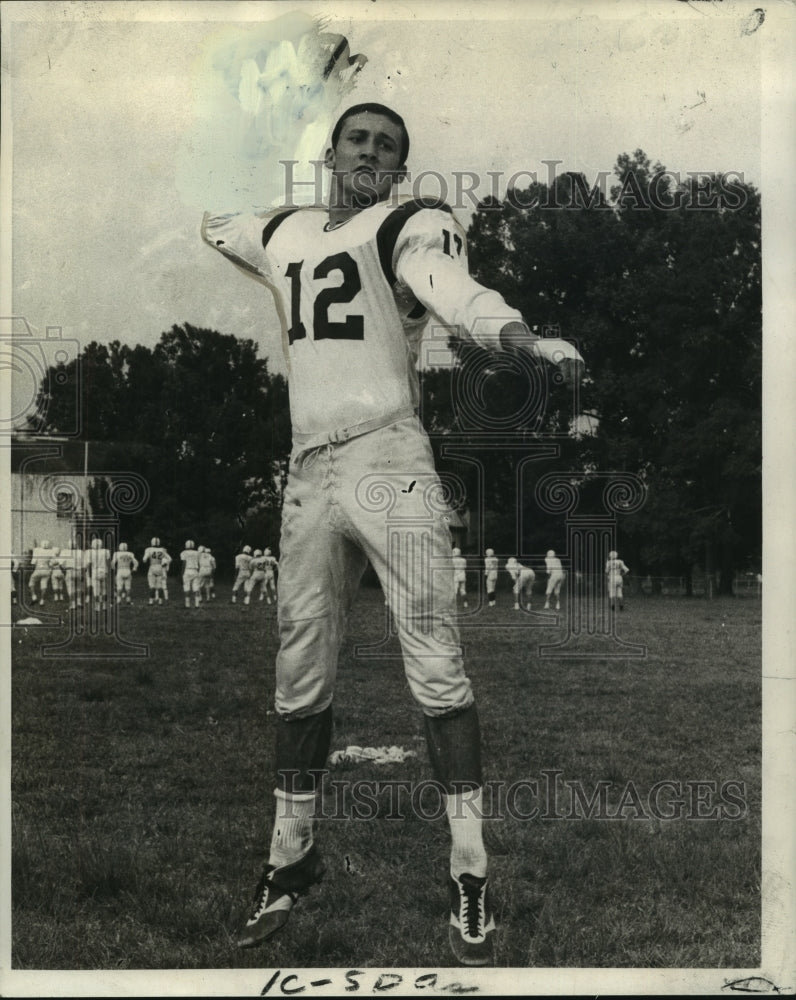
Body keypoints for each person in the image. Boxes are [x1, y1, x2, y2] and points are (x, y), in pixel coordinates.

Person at [203, 102, 583, 965]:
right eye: (358, 140)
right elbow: (222, 226)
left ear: (401, 170)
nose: (370, 153)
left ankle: (469, 870)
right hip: (307, 465)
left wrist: (518, 335)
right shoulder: (286, 229)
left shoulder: (411, 223)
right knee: (298, 670)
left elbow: (455, 291)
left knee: (437, 663)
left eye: (387, 147)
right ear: (330, 152)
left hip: (389, 458)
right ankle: (290, 857)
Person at [85, 538, 111, 610]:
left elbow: (89, 564)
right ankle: (105, 605)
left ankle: (98, 606)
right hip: (104, 570)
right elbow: (108, 561)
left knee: (96, 590)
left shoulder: (89, 552)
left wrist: (86, 570)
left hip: (95, 571)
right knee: (104, 589)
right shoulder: (106, 551)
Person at [143, 537, 170, 605]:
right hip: (160, 567)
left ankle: (151, 601)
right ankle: (160, 601)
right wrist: (165, 563)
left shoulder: (149, 549)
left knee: (152, 586)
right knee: (160, 586)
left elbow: (144, 559)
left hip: (152, 567)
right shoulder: (162, 549)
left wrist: (145, 559)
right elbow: (169, 559)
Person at [28, 539, 54, 605]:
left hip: (38, 569)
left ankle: (34, 596)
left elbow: (33, 562)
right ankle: (42, 600)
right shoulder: (51, 551)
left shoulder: (37, 550)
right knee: (44, 584)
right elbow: (53, 562)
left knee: (31, 582)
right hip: (46, 570)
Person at [181, 540, 201, 608]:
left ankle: (187, 605)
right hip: (195, 570)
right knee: (196, 588)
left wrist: (182, 572)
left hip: (187, 570)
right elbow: (199, 563)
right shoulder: (197, 553)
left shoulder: (184, 552)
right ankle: (197, 604)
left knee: (187, 588)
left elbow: (184, 563)